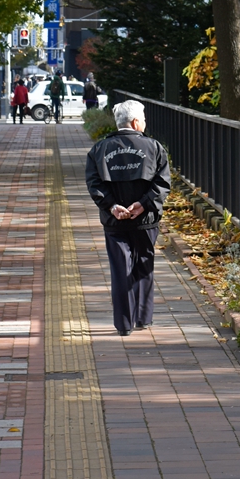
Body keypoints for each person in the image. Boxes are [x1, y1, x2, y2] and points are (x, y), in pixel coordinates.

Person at [85, 99, 170, 336]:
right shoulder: (154, 147)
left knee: (120, 269)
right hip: (145, 220)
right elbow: (163, 182)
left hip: (115, 222)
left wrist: (112, 206)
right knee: (144, 264)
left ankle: (124, 324)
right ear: (135, 122)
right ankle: (143, 317)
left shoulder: (99, 149)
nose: (144, 123)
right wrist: (143, 205)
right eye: (143, 119)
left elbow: (94, 183)